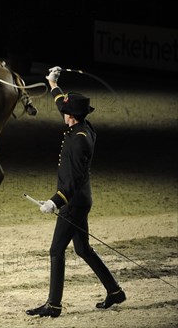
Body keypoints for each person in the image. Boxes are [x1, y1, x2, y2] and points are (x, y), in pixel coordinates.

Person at [26, 67, 126, 318]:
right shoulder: (83, 125)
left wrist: (54, 202)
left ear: (71, 116)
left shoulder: (80, 139)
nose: (62, 111)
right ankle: (114, 291)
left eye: (66, 111)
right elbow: (62, 102)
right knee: (82, 250)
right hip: (80, 200)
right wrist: (52, 83)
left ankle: (54, 304)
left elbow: (74, 179)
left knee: (56, 251)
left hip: (73, 202)